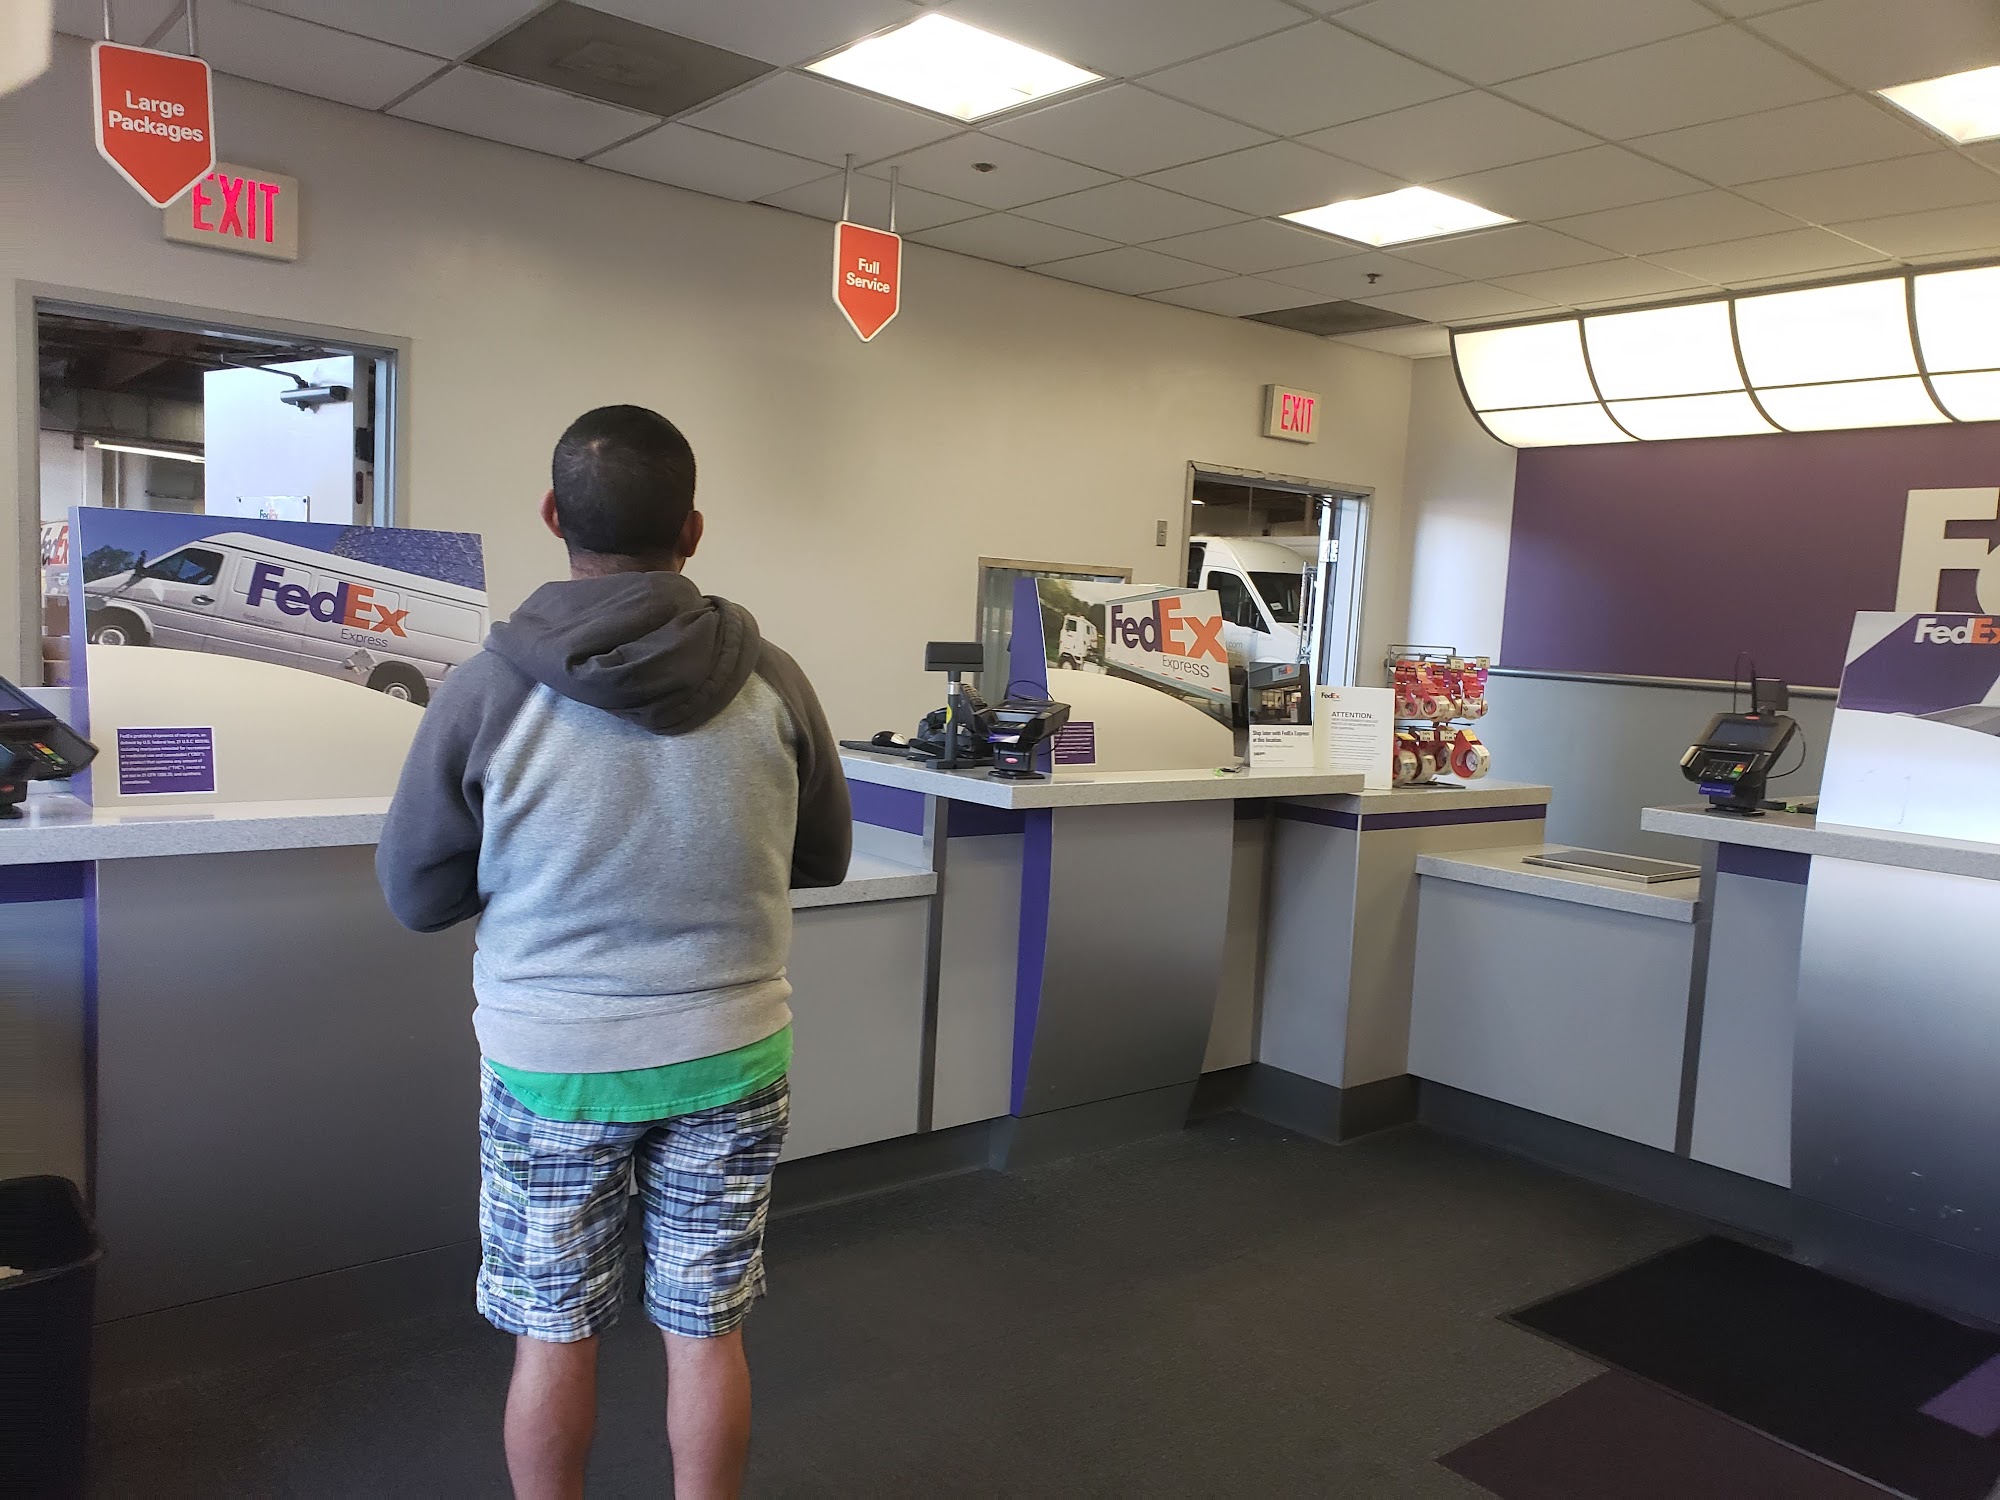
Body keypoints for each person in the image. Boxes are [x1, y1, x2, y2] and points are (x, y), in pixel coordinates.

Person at [376, 404, 851, 1500]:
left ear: (553, 516)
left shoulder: (487, 690)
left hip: (552, 1065)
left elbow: (416, 895)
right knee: (706, 1330)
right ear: (692, 530)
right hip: (731, 1054)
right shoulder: (775, 679)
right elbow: (821, 856)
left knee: (553, 1333)